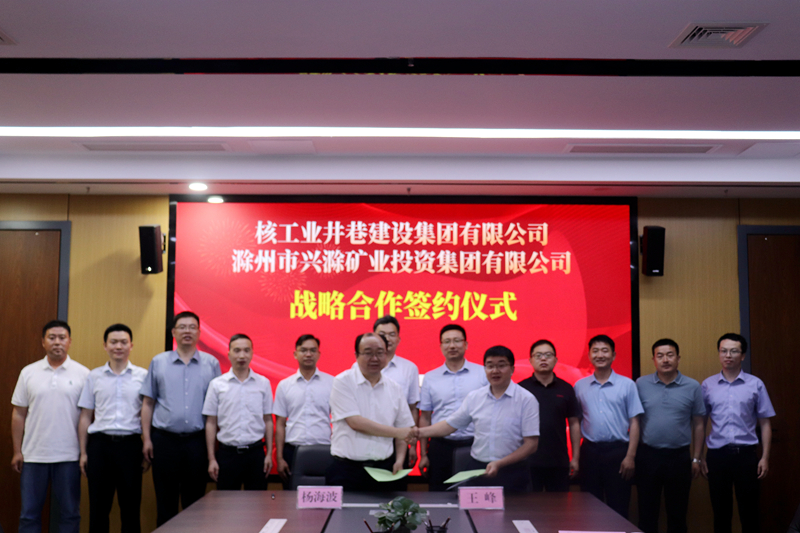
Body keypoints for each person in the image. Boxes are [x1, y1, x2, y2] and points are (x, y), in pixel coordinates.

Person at [416, 345, 540, 493]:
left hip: (512, 471)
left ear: (512, 369)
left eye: (501, 365)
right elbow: (450, 425)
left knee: (513, 508)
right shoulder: (475, 397)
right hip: (478, 470)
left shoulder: (526, 400)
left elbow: (531, 445)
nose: (495, 371)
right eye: (490, 366)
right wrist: (419, 432)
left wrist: (500, 463)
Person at [140, 311, 221, 526]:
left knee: (194, 504)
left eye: (192, 327)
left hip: (197, 442)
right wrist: (146, 439)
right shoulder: (159, 362)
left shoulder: (211, 364)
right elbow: (148, 403)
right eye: (182, 327)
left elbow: (217, 408)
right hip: (164, 441)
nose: (187, 331)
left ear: (199, 333)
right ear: (173, 332)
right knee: (165, 502)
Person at [11, 320, 90, 533]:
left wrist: (84, 452)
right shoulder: (28, 372)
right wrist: (17, 451)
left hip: (69, 456)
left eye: (62, 338)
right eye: (52, 338)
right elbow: (18, 414)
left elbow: (87, 416)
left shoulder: (83, 374)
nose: (57, 342)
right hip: (33, 456)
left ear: (70, 341)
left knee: (70, 514)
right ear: (43, 342)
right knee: (29, 515)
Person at [701, 333, 775, 533]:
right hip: (717, 456)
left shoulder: (755, 384)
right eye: (724, 351)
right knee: (720, 514)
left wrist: (765, 457)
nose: (728, 355)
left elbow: (765, 423)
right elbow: (701, 423)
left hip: (746, 457)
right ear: (719, 354)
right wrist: (699, 457)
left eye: (734, 351)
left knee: (749, 513)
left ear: (742, 355)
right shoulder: (707, 385)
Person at [78, 324, 148, 533]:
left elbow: (148, 414)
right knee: (98, 509)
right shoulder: (94, 376)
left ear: (131, 345)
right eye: (114, 342)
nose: (118, 346)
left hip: (131, 446)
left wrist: (146, 444)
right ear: (105, 346)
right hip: (100, 446)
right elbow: (85, 416)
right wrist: (83, 452)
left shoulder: (143, 376)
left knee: (131, 508)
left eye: (123, 342)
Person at [326, 332, 415, 492]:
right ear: (356, 355)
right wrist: (398, 433)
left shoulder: (395, 388)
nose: (374, 358)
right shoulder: (342, 382)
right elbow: (356, 423)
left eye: (380, 353)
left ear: (386, 355)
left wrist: (400, 460)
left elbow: (403, 428)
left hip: (385, 470)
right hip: (347, 470)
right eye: (368, 353)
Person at [635, 338, 705, 533]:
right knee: (647, 514)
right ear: (653, 360)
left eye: (670, 355)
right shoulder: (640, 384)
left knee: (678, 515)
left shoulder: (692, 386)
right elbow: (634, 421)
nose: (665, 360)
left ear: (678, 358)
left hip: (679, 457)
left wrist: (696, 458)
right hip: (648, 456)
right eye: (660, 356)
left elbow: (699, 424)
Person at [574, 334, 643, 519]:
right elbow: (576, 423)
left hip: (618, 453)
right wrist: (576, 457)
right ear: (589, 355)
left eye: (605, 351)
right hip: (590, 452)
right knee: (589, 509)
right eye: (595, 351)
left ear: (613, 355)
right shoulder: (579, 386)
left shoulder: (627, 385)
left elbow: (635, 422)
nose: (600, 355)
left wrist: (630, 456)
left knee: (618, 507)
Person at [418, 324, 488, 491]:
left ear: (466, 344)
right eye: (447, 341)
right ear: (441, 346)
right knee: (438, 495)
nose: (452, 346)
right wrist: (423, 454)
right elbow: (425, 417)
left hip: (474, 445)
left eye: (457, 341)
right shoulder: (431, 377)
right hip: (440, 446)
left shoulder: (483, 373)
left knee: (473, 495)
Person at [203, 334, 273, 490]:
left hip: (255, 454)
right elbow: (211, 423)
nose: (242, 355)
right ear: (229, 354)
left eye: (246, 350)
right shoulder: (217, 384)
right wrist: (212, 459)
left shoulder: (263, 383)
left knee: (257, 502)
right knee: (226, 503)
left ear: (252, 353)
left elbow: (268, 420)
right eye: (237, 350)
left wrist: (269, 454)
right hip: (227, 455)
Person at [518, 339, 581, 492]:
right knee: (529, 505)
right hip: (528, 461)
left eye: (548, 355)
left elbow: (574, 423)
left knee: (559, 505)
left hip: (558, 461)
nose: (543, 359)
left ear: (556, 360)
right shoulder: (520, 389)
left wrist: (575, 458)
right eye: (538, 355)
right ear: (530, 360)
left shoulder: (566, 388)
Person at [273, 334, 333, 489]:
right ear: (295, 354)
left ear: (319, 354)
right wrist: (279, 458)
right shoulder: (285, 385)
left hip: (323, 449)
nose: (308, 354)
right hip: (293, 451)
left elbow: (339, 420)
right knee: (291, 497)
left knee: (323, 497)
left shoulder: (332, 383)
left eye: (313, 350)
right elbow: (280, 424)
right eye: (304, 350)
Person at [373, 315, 420, 468]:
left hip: (399, 438)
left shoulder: (409, 368)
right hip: (368, 436)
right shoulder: (359, 368)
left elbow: (412, 409)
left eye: (392, 334)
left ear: (398, 339)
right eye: (382, 334)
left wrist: (413, 445)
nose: (387, 339)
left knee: (396, 478)